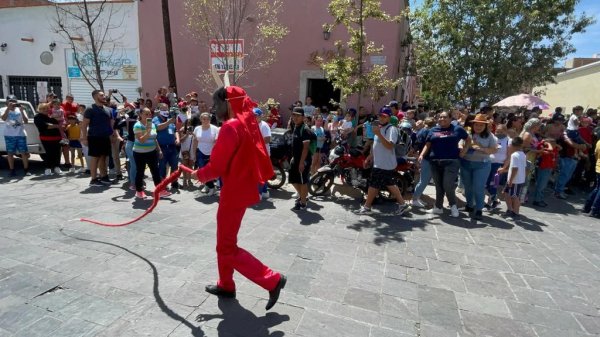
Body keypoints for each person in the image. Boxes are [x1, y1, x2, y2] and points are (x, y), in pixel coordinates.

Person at [192, 85, 286, 311]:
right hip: (240, 190)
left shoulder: (230, 127)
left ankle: (272, 279)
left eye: (216, 103)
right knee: (224, 243)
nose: (213, 108)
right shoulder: (245, 124)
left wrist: (200, 174)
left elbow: (217, 166)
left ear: (228, 103)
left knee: (226, 247)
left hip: (233, 193)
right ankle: (226, 284)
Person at [356, 107, 410, 215]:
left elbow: (390, 145)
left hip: (384, 164)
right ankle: (403, 205)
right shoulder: (379, 128)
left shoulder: (391, 129)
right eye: (380, 115)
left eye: (384, 116)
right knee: (389, 184)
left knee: (374, 185)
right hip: (380, 163)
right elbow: (376, 146)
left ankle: (367, 207)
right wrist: (369, 157)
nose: (381, 118)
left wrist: (379, 134)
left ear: (389, 117)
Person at [419, 111, 470, 217]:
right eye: (440, 117)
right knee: (438, 186)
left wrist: (464, 150)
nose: (442, 119)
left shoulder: (457, 129)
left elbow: (468, 139)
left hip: (451, 161)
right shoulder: (433, 130)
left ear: (451, 119)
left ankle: (453, 206)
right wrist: (422, 155)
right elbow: (428, 144)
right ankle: (438, 207)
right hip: (435, 162)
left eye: (445, 117)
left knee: (447, 185)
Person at [460, 114, 498, 220]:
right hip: (466, 163)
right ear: (473, 125)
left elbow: (494, 149)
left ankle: (479, 209)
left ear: (485, 126)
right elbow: (460, 144)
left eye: (481, 125)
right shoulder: (467, 133)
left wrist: (481, 149)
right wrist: (462, 148)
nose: (478, 127)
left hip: (482, 164)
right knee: (467, 187)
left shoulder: (490, 136)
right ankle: (469, 206)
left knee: (478, 187)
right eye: (476, 125)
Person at [132, 108, 171, 199]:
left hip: (152, 151)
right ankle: (139, 191)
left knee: (155, 171)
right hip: (139, 152)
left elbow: (154, 138)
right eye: (146, 114)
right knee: (140, 172)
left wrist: (159, 150)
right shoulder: (137, 125)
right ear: (140, 115)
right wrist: (148, 132)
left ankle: (159, 190)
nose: (149, 116)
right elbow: (141, 140)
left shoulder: (152, 124)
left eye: (150, 114)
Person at [80, 90, 116, 186]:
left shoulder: (108, 109)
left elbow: (110, 125)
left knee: (103, 157)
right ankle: (93, 179)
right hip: (94, 137)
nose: (104, 96)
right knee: (95, 158)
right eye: (101, 95)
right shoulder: (90, 109)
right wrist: (84, 138)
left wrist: (112, 135)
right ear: (95, 97)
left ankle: (104, 177)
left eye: (104, 95)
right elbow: (84, 125)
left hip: (105, 137)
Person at [289, 107, 313, 210]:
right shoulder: (296, 126)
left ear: (303, 117)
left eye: (298, 115)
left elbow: (306, 148)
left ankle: (303, 203)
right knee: (293, 179)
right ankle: (303, 196)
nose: (295, 117)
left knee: (302, 181)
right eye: (294, 115)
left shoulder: (305, 130)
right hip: (296, 159)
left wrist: (302, 163)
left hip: (304, 160)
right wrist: (294, 158)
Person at [1, 95, 30, 176]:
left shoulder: (20, 109)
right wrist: (8, 109)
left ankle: (26, 170)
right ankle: (12, 170)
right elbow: (3, 118)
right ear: (7, 102)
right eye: (10, 101)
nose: (12, 103)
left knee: (23, 153)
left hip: (21, 134)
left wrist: (22, 111)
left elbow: (26, 121)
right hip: (9, 135)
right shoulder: (3, 109)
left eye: (14, 101)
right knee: (10, 153)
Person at [192, 112, 220, 196]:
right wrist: (193, 154)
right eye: (203, 119)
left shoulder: (215, 129)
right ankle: (208, 186)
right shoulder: (197, 128)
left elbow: (216, 142)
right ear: (200, 119)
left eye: (207, 119)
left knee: (209, 171)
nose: (205, 120)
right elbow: (195, 141)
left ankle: (211, 187)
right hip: (200, 152)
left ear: (210, 120)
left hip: (212, 153)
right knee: (202, 170)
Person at [153, 103, 180, 189]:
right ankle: (163, 184)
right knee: (162, 167)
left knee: (175, 166)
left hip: (172, 146)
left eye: (166, 109)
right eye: (163, 109)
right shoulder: (156, 119)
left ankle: (174, 182)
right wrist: (168, 122)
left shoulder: (170, 119)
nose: (165, 111)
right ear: (159, 110)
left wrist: (177, 138)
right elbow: (157, 128)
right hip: (162, 147)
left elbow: (175, 130)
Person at [411, 117, 436, 207]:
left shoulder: (421, 131)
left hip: (424, 156)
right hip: (427, 157)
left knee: (423, 179)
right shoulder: (428, 131)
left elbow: (417, 144)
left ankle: (416, 198)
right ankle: (415, 199)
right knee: (424, 180)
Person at [484, 124, 509, 210]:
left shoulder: (508, 141)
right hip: (489, 163)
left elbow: (509, 156)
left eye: (501, 131)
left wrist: (504, 167)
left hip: (499, 165)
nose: (499, 133)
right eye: (497, 131)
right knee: (486, 184)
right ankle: (495, 200)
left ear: (506, 131)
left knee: (493, 184)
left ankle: (490, 203)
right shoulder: (493, 138)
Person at [33, 103, 62, 176]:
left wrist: (55, 125)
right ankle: (47, 168)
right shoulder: (37, 117)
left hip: (57, 138)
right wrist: (56, 126)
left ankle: (57, 167)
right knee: (49, 153)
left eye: (46, 108)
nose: (45, 110)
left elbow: (58, 125)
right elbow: (45, 126)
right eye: (43, 109)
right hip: (46, 138)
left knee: (57, 153)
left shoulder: (51, 117)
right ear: (39, 110)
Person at [503, 136, 526, 219]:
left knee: (514, 196)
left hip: (515, 180)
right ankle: (510, 209)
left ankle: (516, 213)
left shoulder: (514, 155)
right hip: (516, 179)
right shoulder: (523, 154)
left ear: (512, 145)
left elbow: (515, 169)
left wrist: (510, 180)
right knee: (506, 193)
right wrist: (504, 171)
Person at [532, 138, 560, 207]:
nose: (554, 145)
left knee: (543, 185)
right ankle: (537, 200)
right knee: (541, 185)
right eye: (552, 143)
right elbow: (546, 149)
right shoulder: (543, 148)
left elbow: (559, 148)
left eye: (555, 143)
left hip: (549, 168)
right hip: (543, 168)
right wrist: (546, 143)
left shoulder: (554, 149)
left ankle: (539, 199)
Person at [254, 108, 271, 199]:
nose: (254, 117)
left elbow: (268, 139)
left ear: (260, 116)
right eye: (253, 116)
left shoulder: (264, 125)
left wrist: (255, 143)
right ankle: (264, 191)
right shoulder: (253, 125)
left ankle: (259, 193)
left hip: (263, 154)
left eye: (256, 115)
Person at [583, 135, 600, 217]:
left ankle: (587, 207)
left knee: (597, 188)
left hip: (598, 168)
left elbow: (596, 154)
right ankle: (594, 209)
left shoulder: (599, 142)